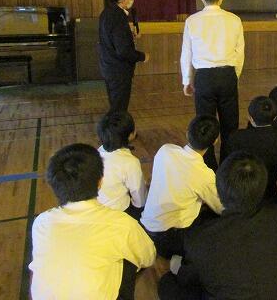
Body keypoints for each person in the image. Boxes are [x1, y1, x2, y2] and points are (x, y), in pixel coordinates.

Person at [158, 152, 277, 300]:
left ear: (219, 189)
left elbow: (190, 279)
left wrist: (177, 267)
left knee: (167, 284)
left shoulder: (202, 238)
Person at [29, 143, 155, 300]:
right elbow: (148, 257)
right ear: (100, 182)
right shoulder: (121, 223)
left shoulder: (41, 223)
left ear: (53, 184)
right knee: (130, 258)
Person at [180, 0, 245, 170]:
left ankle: (208, 166)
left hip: (204, 78)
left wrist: (187, 80)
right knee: (230, 125)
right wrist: (234, 76)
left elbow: (186, 53)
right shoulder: (234, 20)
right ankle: (228, 165)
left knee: (205, 125)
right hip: (227, 75)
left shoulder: (192, 21)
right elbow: (240, 53)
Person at [140, 116, 224, 258]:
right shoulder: (204, 174)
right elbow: (220, 207)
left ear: (187, 132)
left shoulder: (165, 150)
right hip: (170, 238)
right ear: (215, 141)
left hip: (147, 226)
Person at [221, 96, 277, 202]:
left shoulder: (236, 138)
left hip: (244, 193)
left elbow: (227, 167)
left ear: (250, 118)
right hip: (275, 196)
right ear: (274, 118)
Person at [98, 0, 149, 113]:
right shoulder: (118, 16)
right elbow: (123, 50)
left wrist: (129, 34)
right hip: (118, 71)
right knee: (119, 109)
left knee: (116, 106)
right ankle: (117, 126)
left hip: (109, 67)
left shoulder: (106, 13)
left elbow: (112, 39)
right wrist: (142, 56)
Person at [96, 111, 147, 220]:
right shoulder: (130, 162)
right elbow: (140, 199)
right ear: (130, 135)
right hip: (119, 212)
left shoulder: (97, 152)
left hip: (96, 210)